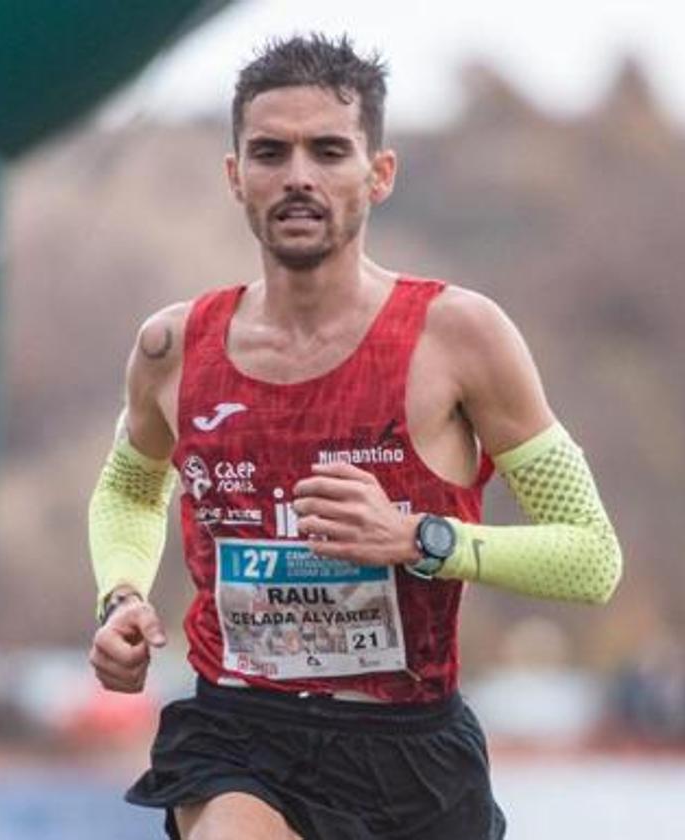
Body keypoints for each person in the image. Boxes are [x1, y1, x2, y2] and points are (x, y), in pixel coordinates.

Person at [86, 33, 623, 840]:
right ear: (237, 177)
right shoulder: (171, 347)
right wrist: (121, 594)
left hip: (410, 753)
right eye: (270, 151)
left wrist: (417, 538)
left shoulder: (460, 336)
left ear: (379, 175)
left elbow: (592, 558)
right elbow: (131, 485)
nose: (298, 175)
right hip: (238, 732)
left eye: (328, 150)